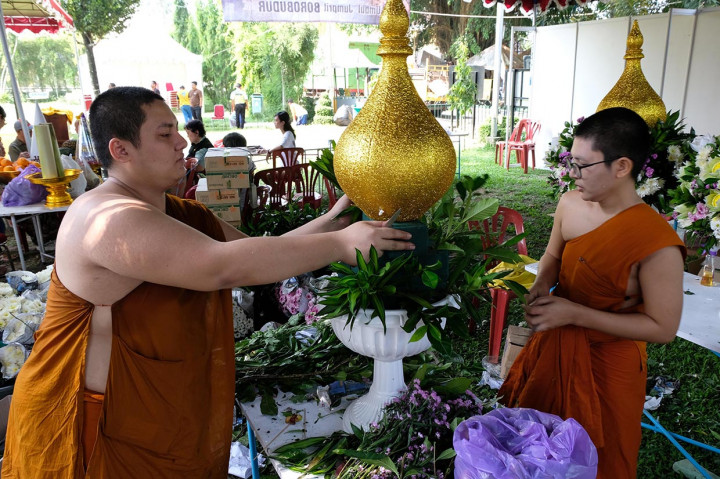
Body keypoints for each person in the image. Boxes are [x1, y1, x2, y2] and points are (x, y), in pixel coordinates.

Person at [1, 86, 412, 478]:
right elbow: (220, 267)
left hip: (153, 417)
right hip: (91, 418)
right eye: (165, 134)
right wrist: (340, 246)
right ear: (120, 150)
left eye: (178, 132)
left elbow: (252, 253)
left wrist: (330, 223)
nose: (182, 143)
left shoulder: (176, 213)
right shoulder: (106, 218)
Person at [498, 107, 686, 478]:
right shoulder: (570, 203)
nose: (572, 174)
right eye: (571, 162)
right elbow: (553, 254)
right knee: (538, 448)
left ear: (622, 167)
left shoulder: (656, 243)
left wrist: (573, 314)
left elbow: (662, 328)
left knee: (603, 459)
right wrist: (540, 285)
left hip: (609, 364)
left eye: (582, 165)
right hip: (554, 346)